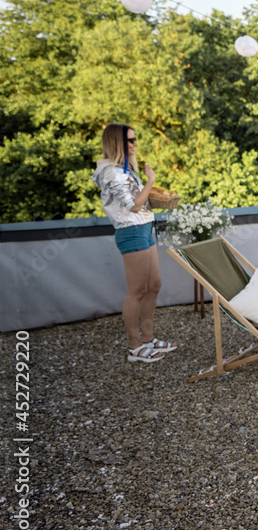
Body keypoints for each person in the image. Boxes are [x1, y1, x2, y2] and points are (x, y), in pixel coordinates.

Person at [92, 123, 178, 364]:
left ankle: (148, 338)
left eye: (135, 139)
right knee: (137, 291)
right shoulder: (111, 172)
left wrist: (158, 194)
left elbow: (139, 203)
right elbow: (134, 205)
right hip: (131, 232)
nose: (135, 144)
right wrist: (151, 181)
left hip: (145, 228)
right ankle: (135, 347)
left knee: (154, 285)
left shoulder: (125, 169)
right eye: (130, 140)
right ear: (117, 143)